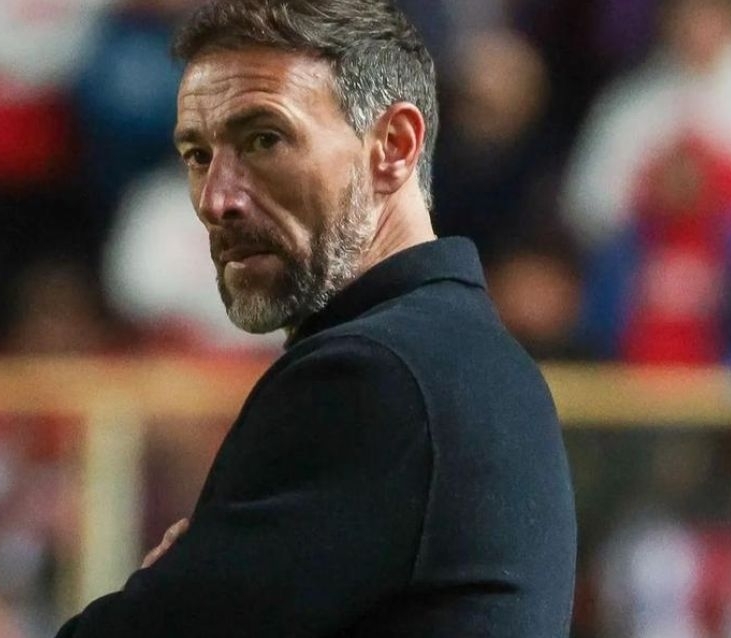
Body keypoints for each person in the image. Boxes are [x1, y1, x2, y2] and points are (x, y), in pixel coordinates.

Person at [56, 0, 576, 636]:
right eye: (197, 155)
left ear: (393, 146)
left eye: (264, 139)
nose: (217, 199)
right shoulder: (464, 359)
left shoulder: (376, 377)